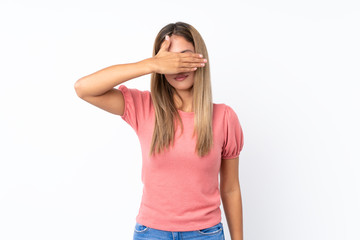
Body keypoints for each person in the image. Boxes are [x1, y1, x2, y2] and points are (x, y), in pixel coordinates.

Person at [74, 22, 244, 240]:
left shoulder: (224, 117)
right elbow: (83, 88)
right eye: (169, 60)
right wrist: (150, 65)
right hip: (151, 233)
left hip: (206, 234)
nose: (178, 67)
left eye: (185, 57)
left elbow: (230, 188)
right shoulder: (143, 106)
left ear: (201, 59)